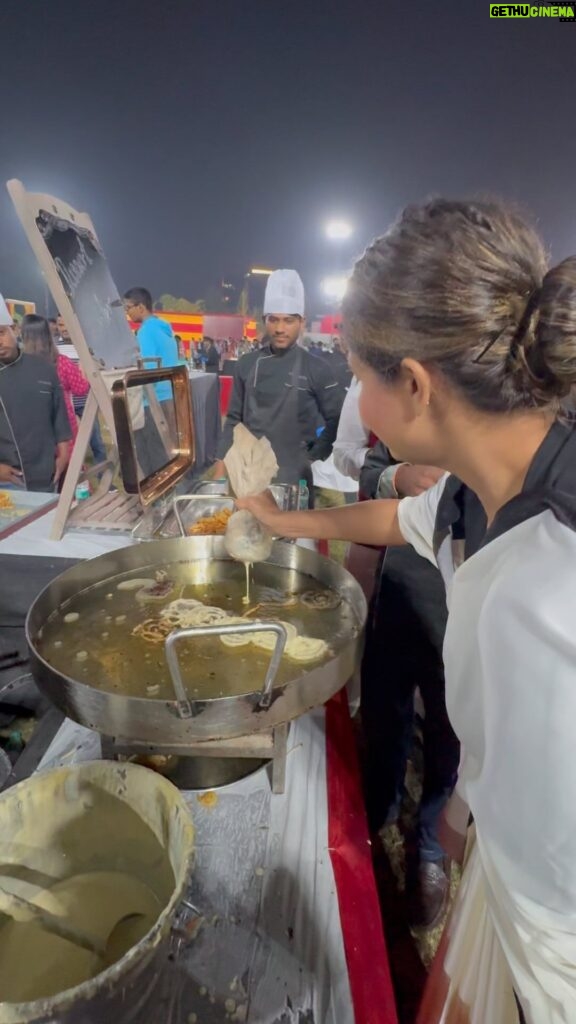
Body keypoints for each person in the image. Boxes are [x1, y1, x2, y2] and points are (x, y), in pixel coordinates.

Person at [238, 199, 576, 1023]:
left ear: (415, 385)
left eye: (360, 378)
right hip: (510, 856)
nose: (357, 396)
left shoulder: (546, 589)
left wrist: (478, 822)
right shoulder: (487, 482)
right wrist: (289, 522)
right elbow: (400, 518)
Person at [212, 269, 345, 500]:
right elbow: (234, 419)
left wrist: (315, 456)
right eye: (273, 319)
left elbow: (337, 419)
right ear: (265, 320)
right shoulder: (247, 364)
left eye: (289, 320)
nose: (280, 328)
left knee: (296, 533)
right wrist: (221, 463)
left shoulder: (318, 368)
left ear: (302, 322)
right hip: (250, 473)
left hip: (297, 475)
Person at [0, 294, 70, 491]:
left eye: (1, 332)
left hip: (46, 472)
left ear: (14, 329)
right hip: (7, 479)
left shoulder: (43, 369)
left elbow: (59, 415)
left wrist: (64, 455)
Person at [20, 314, 90, 447]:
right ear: (48, 334)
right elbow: (81, 389)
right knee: (70, 465)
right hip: (63, 425)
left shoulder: (19, 366)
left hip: (31, 426)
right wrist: (82, 369)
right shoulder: (62, 362)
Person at [55, 312, 107, 466]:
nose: (63, 328)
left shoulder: (85, 347)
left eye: (66, 324)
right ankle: (76, 474)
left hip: (86, 402)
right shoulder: (55, 349)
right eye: (60, 325)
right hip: (66, 406)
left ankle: (104, 477)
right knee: (70, 444)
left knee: (96, 442)